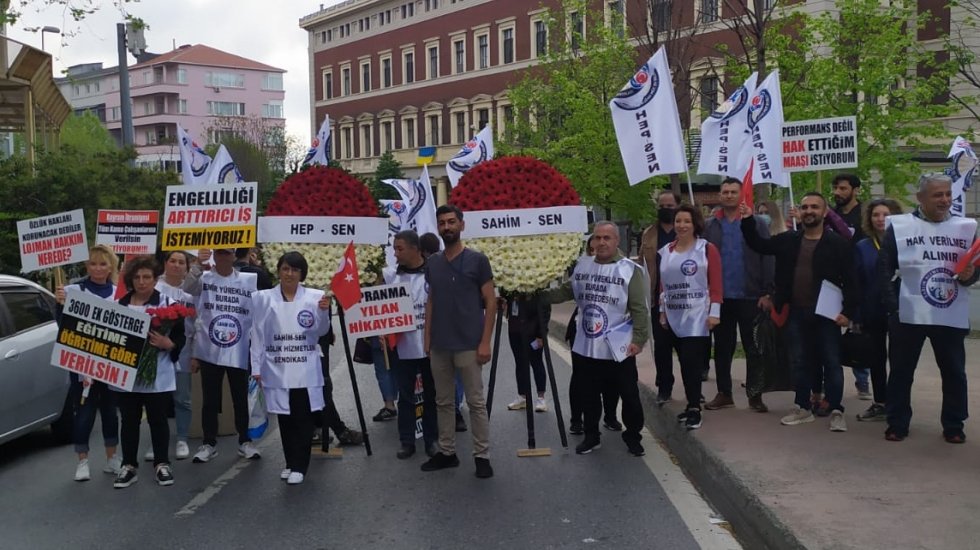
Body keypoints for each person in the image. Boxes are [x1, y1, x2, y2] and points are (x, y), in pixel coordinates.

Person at [740, 192, 858, 432]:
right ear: (800, 212)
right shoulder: (788, 240)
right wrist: (748, 220)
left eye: (815, 207)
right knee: (800, 361)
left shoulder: (838, 245)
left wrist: (848, 313)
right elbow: (758, 245)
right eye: (804, 207)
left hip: (828, 315)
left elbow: (853, 281)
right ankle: (802, 407)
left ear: (824, 212)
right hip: (796, 312)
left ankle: (836, 409)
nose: (809, 211)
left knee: (832, 362)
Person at [878, 173, 979, 443]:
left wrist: (970, 274)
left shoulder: (965, 228)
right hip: (907, 312)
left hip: (948, 310)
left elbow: (973, 272)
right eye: (937, 195)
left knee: (954, 372)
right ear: (921, 198)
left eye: (948, 194)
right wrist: (893, 307)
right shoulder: (900, 227)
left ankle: (954, 424)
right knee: (901, 371)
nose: (945, 200)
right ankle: (897, 422)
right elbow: (884, 267)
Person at [546, 221, 650, 456]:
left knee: (629, 394)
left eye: (607, 238)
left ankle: (633, 435)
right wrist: (536, 294)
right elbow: (565, 291)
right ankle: (591, 435)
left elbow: (639, 308)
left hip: (618, 345)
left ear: (617, 241)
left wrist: (639, 339)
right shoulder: (582, 266)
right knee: (588, 393)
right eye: (597, 238)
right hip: (587, 343)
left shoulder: (628, 269)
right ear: (591, 241)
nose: (601, 242)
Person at [422, 204, 496, 479]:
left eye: (452, 222)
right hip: (440, 345)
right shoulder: (433, 263)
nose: (447, 227)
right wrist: (427, 338)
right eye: (442, 223)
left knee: (476, 403)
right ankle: (447, 452)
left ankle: (482, 456)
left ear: (461, 225)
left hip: (469, 343)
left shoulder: (478, 260)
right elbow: (431, 301)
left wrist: (485, 341)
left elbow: (490, 302)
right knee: (443, 402)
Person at [250, 252, 331, 485]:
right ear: (278, 271)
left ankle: (300, 465)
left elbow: (321, 332)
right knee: (284, 417)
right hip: (276, 367)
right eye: (285, 269)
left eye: (295, 270)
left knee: (302, 416)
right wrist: (256, 366)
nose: (289, 274)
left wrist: (324, 312)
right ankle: (289, 461)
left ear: (302, 273)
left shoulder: (315, 297)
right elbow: (257, 334)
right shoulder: (263, 299)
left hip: (304, 367)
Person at [113, 256, 185, 489]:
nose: (142, 282)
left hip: (159, 373)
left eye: (147, 277)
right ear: (130, 280)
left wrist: (169, 344)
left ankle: (162, 463)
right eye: (137, 277)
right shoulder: (119, 306)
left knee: (158, 419)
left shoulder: (168, 304)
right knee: (129, 420)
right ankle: (129, 465)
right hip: (126, 373)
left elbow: (180, 336)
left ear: (155, 279)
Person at [703, 178, 774, 413]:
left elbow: (767, 256)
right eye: (725, 192)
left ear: (741, 194)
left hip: (750, 294)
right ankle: (724, 393)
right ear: (720, 195)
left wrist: (767, 291)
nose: (729, 195)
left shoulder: (757, 223)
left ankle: (755, 394)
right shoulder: (709, 226)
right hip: (720, 297)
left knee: (754, 347)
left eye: (734, 192)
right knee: (723, 347)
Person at [185, 248, 261, 462]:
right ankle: (208, 443)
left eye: (227, 253)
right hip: (209, 348)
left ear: (234, 256)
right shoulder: (204, 278)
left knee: (240, 397)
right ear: (214, 256)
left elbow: (257, 311)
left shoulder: (247, 280)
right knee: (210, 399)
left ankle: (244, 441)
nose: (223, 257)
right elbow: (187, 288)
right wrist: (198, 265)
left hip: (238, 348)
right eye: (219, 253)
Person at [55, 244, 122, 481]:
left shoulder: (118, 293)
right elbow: (62, 326)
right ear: (87, 266)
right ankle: (82, 460)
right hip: (82, 366)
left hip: (111, 364)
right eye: (93, 263)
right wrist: (60, 304)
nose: (97, 268)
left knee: (110, 413)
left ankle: (112, 457)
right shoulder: (72, 290)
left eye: (103, 263)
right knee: (84, 413)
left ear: (110, 266)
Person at [660, 205, 723, 430]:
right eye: (678, 221)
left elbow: (716, 283)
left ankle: (695, 407)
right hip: (674, 313)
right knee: (682, 363)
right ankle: (691, 403)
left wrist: (714, 312)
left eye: (686, 221)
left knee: (691, 362)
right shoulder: (666, 250)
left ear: (695, 224)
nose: (682, 225)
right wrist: (662, 311)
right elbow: (663, 284)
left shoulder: (706, 250)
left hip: (698, 315)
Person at [384, 231, 438, 459]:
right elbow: (378, 306)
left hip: (430, 345)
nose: (395, 254)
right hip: (402, 345)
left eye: (400, 248)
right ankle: (406, 440)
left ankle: (431, 439)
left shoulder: (434, 273)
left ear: (416, 249)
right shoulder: (390, 276)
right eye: (394, 249)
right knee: (405, 396)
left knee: (431, 395)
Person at [853, 199, 903, 422]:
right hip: (872, 310)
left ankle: (898, 403)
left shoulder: (906, 243)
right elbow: (857, 282)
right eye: (876, 215)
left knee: (900, 360)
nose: (881, 219)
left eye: (886, 214)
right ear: (869, 219)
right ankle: (880, 402)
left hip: (901, 311)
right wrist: (856, 314)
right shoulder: (863, 246)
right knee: (876, 359)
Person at [147, 251, 196, 462]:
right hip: (156, 352)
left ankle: (182, 438)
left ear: (187, 267)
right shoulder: (153, 289)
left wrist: (195, 354)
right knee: (156, 400)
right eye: (173, 261)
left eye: (181, 262)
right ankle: (156, 442)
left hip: (182, 352)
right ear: (165, 264)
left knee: (182, 399)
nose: (177, 265)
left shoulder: (190, 297)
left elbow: (194, 328)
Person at [420, 231, 467, 433]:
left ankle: (454, 412)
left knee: (455, 377)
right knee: (449, 379)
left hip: (458, 332)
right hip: (442, 333)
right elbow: (430, 301)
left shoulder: (464, 263)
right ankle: (450, 418)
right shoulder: (434, 266)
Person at [640, 191, 682, 404]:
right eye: (662, 205)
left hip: (685, 301)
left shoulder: (686, 230)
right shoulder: (648, 234)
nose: (665, 208)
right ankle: (664, 387)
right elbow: (641, 265)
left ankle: (694, 388)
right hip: (658, 300)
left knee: (687, 348)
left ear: (678, 206)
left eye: (670, 205)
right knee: (662, 347)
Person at [503, 293, 551, 413]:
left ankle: (541, 398)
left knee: (536, 362)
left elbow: (545, 310)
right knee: (520, 362)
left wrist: (541, 334)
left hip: (532, 330)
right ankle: (522, 396)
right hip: (515, 328)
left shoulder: (536, 285)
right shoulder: (510, 283)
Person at [369, 335, 399, 422]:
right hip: (395, 331)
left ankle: (389, 405)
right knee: (395, 367)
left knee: (382, 370)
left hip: (377, 332)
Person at [832, 174, 866, 243]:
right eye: (835, 188)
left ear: (855, 191)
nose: (837, 192)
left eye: (843, 189)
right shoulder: (831, 214)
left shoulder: (866, 214)